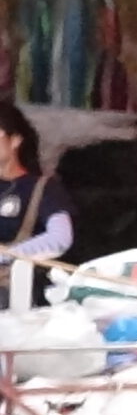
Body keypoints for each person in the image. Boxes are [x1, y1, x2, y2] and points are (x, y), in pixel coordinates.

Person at [0, 101, 72, 299]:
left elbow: (60, 239)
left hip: (14, 290)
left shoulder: (42, 187)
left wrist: (6, 255)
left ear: (15, 141)